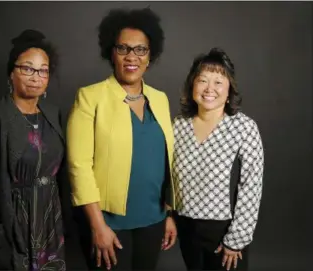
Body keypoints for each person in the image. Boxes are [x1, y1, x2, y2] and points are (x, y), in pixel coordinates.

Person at [66, 7, 177, 271]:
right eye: (123, 48)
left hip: (153, 220)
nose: (132, 57)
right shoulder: (89, 97)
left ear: (150, 56)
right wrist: (97, 226)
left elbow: (165, 163)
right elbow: (78, 166)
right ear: (111, 53)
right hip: (108, 224)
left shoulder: (160, 99)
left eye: (141, 50)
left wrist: (169, 215)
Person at [0, 29, 66, 271]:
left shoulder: (53, 114)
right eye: (27, 68)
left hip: (51, 222)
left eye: (43, 70)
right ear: (12, 73)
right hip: (13, 224)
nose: (36, 77)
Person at [172, 47, 264, 271]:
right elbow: (167, 176)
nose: (209, 89)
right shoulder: (178, 124)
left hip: (224, 229)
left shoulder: (244, 127)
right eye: (202, 80)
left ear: (229, 87)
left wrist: (236, 239)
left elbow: (251, 185)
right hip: (186, 227)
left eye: (218, 82)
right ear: (192, 84)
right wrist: (169, 217)